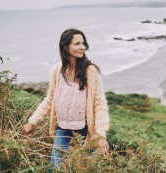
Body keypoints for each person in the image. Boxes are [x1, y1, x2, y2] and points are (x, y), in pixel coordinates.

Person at [22, 28, 110, 166]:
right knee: (55, 166)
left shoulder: (90, 71)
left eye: (83, 43)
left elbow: (99, 104)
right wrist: (32, 122)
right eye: (77, 44)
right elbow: (50, 99)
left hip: (82, 129)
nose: (82, 47)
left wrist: (100, 135)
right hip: (62, 127)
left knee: (76, 166)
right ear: (65, 46)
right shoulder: (57, 70)